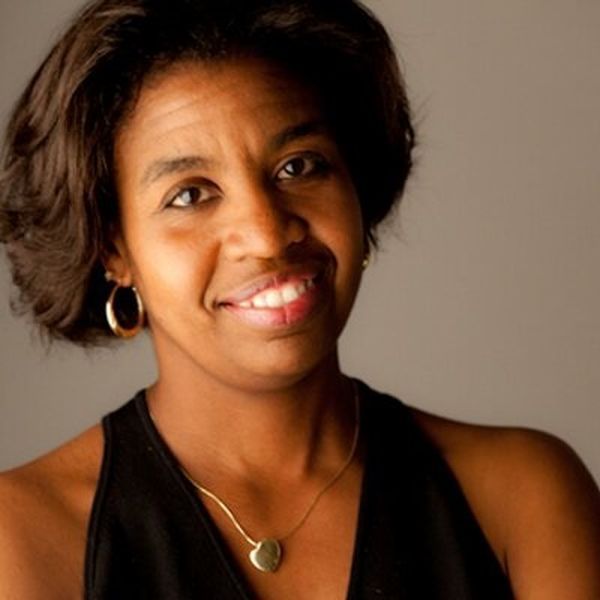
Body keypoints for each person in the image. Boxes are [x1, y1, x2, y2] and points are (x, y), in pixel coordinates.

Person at [0, 0, 599, 597]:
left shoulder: (521, 498)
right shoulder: (23, 534)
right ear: (113, 248)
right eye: (190, 195)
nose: (266, 235)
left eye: (299, 166)